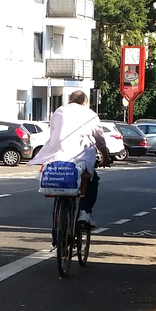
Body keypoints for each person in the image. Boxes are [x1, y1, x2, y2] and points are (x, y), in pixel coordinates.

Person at [28, 90, 110, 227]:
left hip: (58, 157)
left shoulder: (58, 112)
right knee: (92, 180)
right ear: (85, 103)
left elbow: (54, 132)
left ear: (69, 101)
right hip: (81, 157)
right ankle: (84, 214)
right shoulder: (90, 115)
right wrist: (105, 158)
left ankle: (57, 241)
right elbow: (100, 140)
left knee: (61, 185)